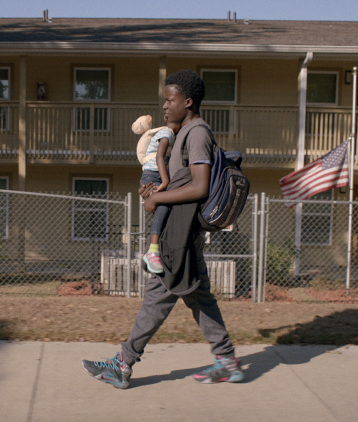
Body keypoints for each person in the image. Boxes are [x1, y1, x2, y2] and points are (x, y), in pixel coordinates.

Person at [81, 69, 243, 389]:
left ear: (188, 101)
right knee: (199, 297)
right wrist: (154, 190)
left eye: (170, 100)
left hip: (179, 235)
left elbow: (199, 186)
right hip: (180, 231)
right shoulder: (182, 133)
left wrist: (158, 199)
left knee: (157, 297)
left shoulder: (197, 133)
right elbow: (178, 182)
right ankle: (227, 361)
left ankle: (123, 364)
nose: (165, 106)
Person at [139, 119, 181, 274]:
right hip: (154, 176)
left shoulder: (166, 133)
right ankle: (153, 250)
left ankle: (155, 250)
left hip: (151, 175)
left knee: (162, 210)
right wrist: (165, 181)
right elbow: (159, 157)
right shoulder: (167, 133)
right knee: (163, 206)